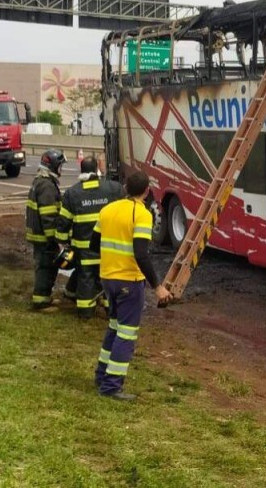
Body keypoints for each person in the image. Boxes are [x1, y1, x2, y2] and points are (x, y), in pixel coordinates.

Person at [91, 170, 172, 400]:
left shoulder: (107, 210)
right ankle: (112, 387)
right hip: (129, 281)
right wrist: (157, 286)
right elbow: (141, 254)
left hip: (108, 278)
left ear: (125, 188)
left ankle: (101, 375)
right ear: (147, 191)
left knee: (114, 328)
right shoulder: (143, 214)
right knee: (126, 334)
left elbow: (93, 242)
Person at [55, 156, 124, 318]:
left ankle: (86, 312)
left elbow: (63, 222)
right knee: (108, 278)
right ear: (96, 170)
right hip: (108, 248)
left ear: (81, 170)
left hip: (84, 250)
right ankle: (110, 310)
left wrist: (62, 241)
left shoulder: (72, 193)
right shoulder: (113, 189)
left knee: (86, 278)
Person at [26, 149, 66, 310]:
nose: (61, 169)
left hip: (39, 235)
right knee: (46, 267)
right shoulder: (47, 186)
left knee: (46, 266)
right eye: (60, 166)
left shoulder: (42, 181)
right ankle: (40, 302)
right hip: (44, 237)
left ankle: (44, 297)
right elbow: (48, 216)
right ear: (54, 166)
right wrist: (54, 240)